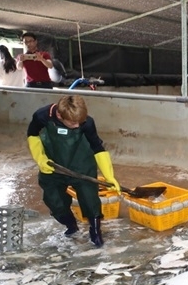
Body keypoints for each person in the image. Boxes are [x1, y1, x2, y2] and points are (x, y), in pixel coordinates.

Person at [27, 95, 120, 247]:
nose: (78, 125)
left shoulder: (87, 123)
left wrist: (109, 176)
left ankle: (95, 232)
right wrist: (41, 159)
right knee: (54, 201)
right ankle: (70, 225)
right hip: (53, 165)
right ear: (59, 115)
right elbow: (32, 135)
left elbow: (98, 148)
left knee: (90, 200)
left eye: (80, 122)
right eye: (72, 122)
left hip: (81, 163)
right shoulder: (42, 116)